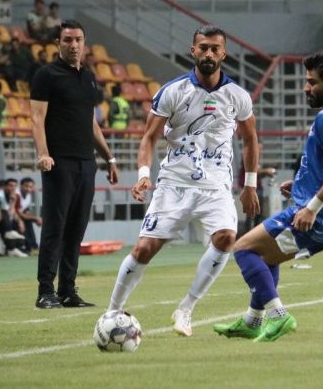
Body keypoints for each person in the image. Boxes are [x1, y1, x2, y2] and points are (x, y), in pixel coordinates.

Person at [105, 25, 260, 337]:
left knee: (226, 238)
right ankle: (112, 312)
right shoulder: (173, 91)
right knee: (144, 249)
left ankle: (186, 308)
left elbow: (250, 139)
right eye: (203, 47)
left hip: (216, 186)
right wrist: (144, 175)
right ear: (193, 51)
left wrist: (250, 185)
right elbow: (149, 138)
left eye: (215, 48)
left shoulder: (238, 96)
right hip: (174, 184)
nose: (208, 53)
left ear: (224, 53)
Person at [213, 50, 323, 342]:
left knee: (243, 249)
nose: (306, 88)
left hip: (320, 216)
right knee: (267, 255)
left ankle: (278, 315)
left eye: (312, 82)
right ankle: (252, 320)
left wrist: (312, 206)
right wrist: (303, 183)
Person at [30, 20, 119, 309]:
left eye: (78, 39)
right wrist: (43, 154)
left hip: (86, 163)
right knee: (54, 228)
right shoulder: (46, 75)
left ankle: (67, 290)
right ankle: (45, 291)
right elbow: (37, 118)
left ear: (84, 42)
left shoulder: (89, 78)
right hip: (59, 163)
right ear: (58, 43)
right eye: (67, 40)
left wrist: (109, 158)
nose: (73, 45)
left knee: (76, 230)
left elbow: (91, 123)